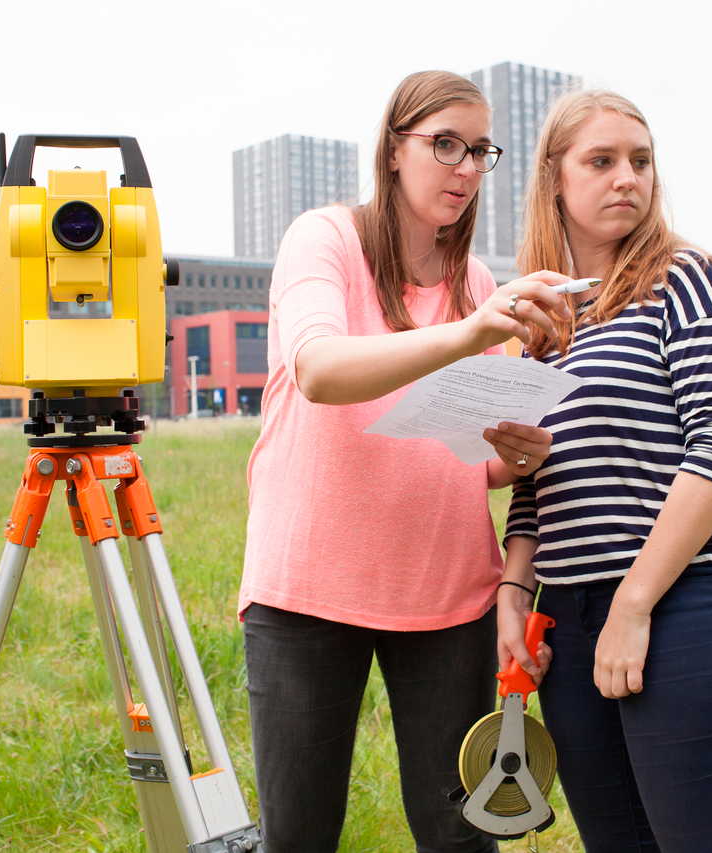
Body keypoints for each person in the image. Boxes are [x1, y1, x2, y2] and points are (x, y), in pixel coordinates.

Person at [239, 70, 570, 853]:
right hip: (309, 588)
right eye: (443, 144)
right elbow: (319, 370)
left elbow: (457, 451)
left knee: (460, 835)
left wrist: (511, 455)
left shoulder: (477, 283)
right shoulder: (323, 240)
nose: (463, 167)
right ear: (393, 149)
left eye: (478, 151)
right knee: (299, 834)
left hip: (445, 591)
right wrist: (468, 332)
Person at [497, 89, 712, 852]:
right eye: (601, 161)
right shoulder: (547, 321)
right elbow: (536, 486)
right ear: (554, 177)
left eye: (641, 161)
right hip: (575, 621)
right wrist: (512, 597)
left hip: (688, 608)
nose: (627, 177)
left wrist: (634, 602)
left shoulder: (683, 277)